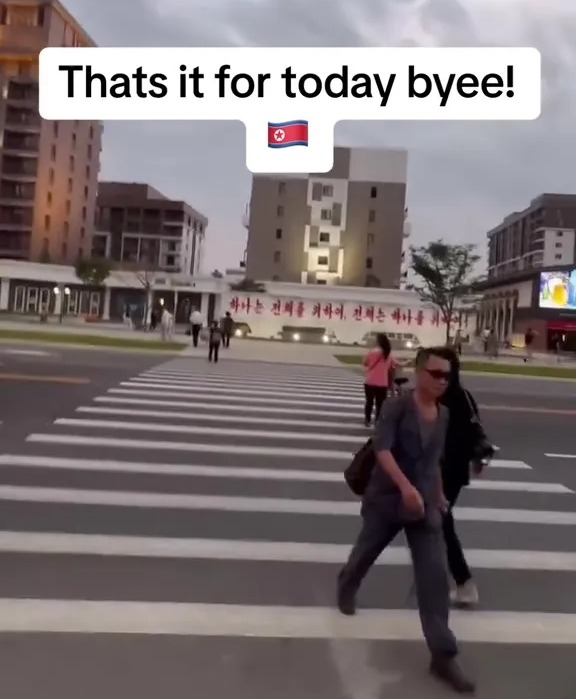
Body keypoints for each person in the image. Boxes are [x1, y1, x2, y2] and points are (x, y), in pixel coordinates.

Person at [337, 347, 474, 693]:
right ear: (419, 371)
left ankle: (442, 655)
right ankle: (347, 585)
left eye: (448, 375)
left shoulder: (442, 415)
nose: (443, 381)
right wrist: (404, 487)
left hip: (424, 504)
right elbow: (382, 449)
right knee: (366, 551)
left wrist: (438, 495)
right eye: (436, 373)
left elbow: (434, 461)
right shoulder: (397, 405)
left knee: (433, 576)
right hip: (387, 498)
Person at [439, 347, 486, 608]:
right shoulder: (460, 395)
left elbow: (475, 431)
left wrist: (478, 456)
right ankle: (457, 581)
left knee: (441, 524)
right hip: (450, 472)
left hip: (447, 472)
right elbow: (476, 429)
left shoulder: (446, 397)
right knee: (438, 524)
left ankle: (464, 582)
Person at [362, 333, 397, 427]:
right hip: (382, 383)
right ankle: (377, 421)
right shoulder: (388, 354)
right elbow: (394, 365)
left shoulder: (372, 352)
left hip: (370, 381)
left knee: (369, 402)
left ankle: (367, 419)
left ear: (378, 341)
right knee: (380, 404)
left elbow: (365, 363)